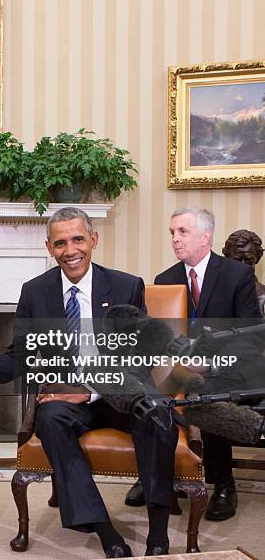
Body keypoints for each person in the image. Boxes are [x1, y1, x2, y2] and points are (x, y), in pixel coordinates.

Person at [0, 207, 178, 557]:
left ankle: (158, 534)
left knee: (156, 415)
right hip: (67, 400)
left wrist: (92, 391)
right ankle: (105, 531)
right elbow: (21, 353)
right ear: (49, 247)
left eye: (78, 239)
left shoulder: (126, 286)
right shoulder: (35, 292)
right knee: (50, 419)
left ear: (93, 240)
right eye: (60, 242)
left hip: (120, 395)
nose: (70, 250)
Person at [125, 207, 262, 522]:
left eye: (182, 232)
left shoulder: (237, 275)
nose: (174, 239)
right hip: (181, 364)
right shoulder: (165, 279)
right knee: (148, 387)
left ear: (206, 237)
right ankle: (155, 475)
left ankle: (223, 483)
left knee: (207, 391)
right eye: (172, 233)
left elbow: (251, 336)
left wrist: (210, 362)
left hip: (231, 365)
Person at [222, 229, 265, 316]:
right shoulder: (213, 291)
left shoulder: (263, 295)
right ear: (227, 258)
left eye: (248, 261)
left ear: (257, 259)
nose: (243, 267)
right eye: (237, 260)